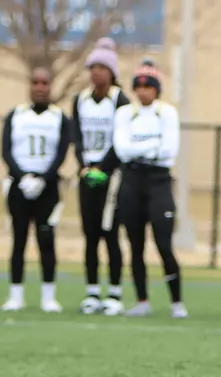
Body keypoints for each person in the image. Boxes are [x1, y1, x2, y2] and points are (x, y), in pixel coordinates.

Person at [113, 60, 187, 319]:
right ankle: (142, 299)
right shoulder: (125, 114)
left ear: (157, 89)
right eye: (139, 86)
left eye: (148, 86)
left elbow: (169, 150)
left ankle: (177, 302)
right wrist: (151, 147)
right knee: (135, 245)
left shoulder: (166, 113)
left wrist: (142, 150)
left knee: (164, 243)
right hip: (132, 181)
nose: (143, 91)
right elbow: (122, 149)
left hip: (158, 181)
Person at [1, 67, 71, 313]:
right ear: (30, 86)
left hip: (47, 187)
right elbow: (6, 150)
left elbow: (61, 153)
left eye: (44, 83)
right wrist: (22, 177)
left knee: (46, 240)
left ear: (50, 86)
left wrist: (43, 178)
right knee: (19, 239)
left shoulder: (59, 117)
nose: (40, 87)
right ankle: (16, 295)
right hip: (20, 185)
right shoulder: (16, 115)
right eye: (35, 82)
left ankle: (48, 296)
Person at [74, 37, 131, 316]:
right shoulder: (81, 99)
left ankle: (115, 291)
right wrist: (84, 166)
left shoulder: (120, 100)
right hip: (87, 174)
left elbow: (121, 138)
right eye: (93, 67)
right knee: (90, 234)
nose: (97, 72)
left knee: (110, 233)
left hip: (111, 176)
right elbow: (76, 136)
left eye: (102, 67)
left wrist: (103, 168)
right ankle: (92, 291)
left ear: (111, 72)